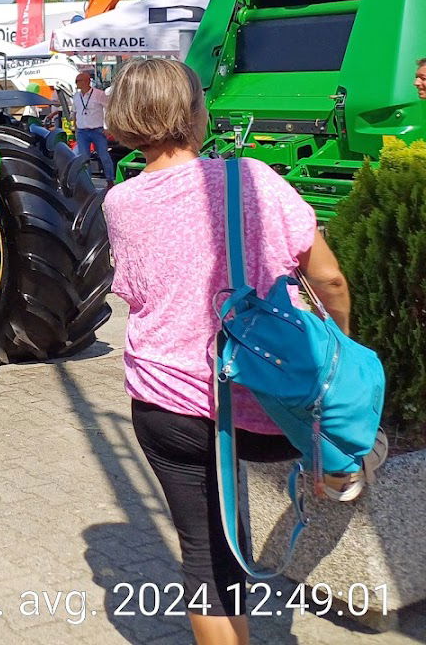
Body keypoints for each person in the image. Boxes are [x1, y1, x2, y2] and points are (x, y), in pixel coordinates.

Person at [101, 57, 359, 645]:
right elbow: (331, 280)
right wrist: (341, 347)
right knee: (352, 430)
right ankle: (334, 472)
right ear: (194, 110)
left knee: (206, 556)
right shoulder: (253, 178)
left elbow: (137, 293)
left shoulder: (120, 202)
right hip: (263, 404)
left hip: (165, 404)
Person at [71, 69, 114, 185]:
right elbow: (75, 112)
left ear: (87, 81)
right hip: (82, 131)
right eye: (76, 81)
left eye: (78, 80)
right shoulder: (76, 96)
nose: (76, 83)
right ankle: (88, 182)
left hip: (97, 130)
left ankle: (110, 180)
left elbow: (109, 109)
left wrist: (107, 127)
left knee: (104, 156)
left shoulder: (99, 94)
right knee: (84, 158)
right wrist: (74, 127)